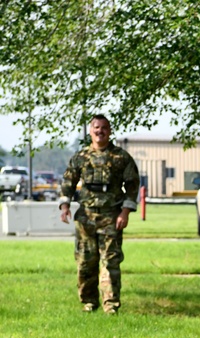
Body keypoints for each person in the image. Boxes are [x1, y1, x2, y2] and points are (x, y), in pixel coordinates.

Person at [58, 114, 140, 314]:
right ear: (90, 131)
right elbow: (68, 182)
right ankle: (89, 301)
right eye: (96, 127)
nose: (100, 131)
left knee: (110, 260)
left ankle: (110, 304)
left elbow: (132, 185)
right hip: (86, 216)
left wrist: (125, 212)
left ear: (109, 131)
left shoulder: (121, 157)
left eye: (104, 128)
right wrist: (65, 206)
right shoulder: (81, 157)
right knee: (85, 261)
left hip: (111, 216)